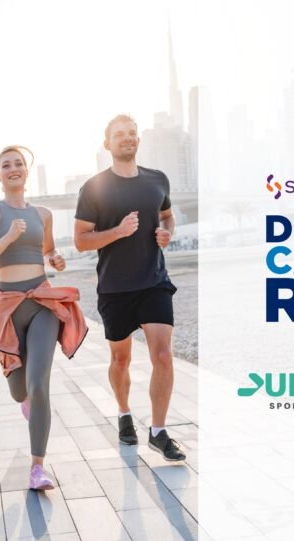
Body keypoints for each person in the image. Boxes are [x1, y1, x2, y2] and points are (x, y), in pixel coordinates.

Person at [0, 145, 87, 490]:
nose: (13, 168)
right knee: (19, 390)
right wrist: (8, 237)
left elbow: (48, 250)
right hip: (9, 306)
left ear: (27, 170)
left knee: (39, 385)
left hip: (41, 301)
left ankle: (37, 467)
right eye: (6, 165)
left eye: (19, 163)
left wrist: (55, 259)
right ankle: (27, 403)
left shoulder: (43, 214)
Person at [74, 114, 186, 462]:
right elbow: (81, 240)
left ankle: (158, 431)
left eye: (132, 133)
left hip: (154, 281)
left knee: (163, 355)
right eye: (120, 134)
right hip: (115, 288)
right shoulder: (94, 188)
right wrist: (118, 232)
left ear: (138, 140)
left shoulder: (157, 180)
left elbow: (167, 215)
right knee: (120, 359)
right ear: (107, 143)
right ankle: (124, 412)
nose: (127, 138)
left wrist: (168, 232)